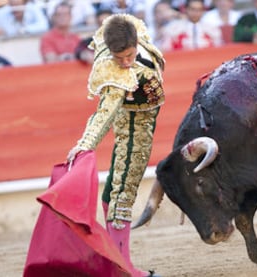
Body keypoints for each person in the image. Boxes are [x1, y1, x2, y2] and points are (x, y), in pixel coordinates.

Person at [66, 13, 165, 277]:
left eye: (129, 56)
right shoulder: (113, 66)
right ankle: (122, 268)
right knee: (121, 193)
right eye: (118, 57)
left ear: (136, 44)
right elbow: (106, 110)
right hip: (133, 120)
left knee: (116, 188)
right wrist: (85, 144)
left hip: (140, 117)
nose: (125, 63)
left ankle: (117, 263)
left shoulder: (135, 39)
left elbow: (121, 24)